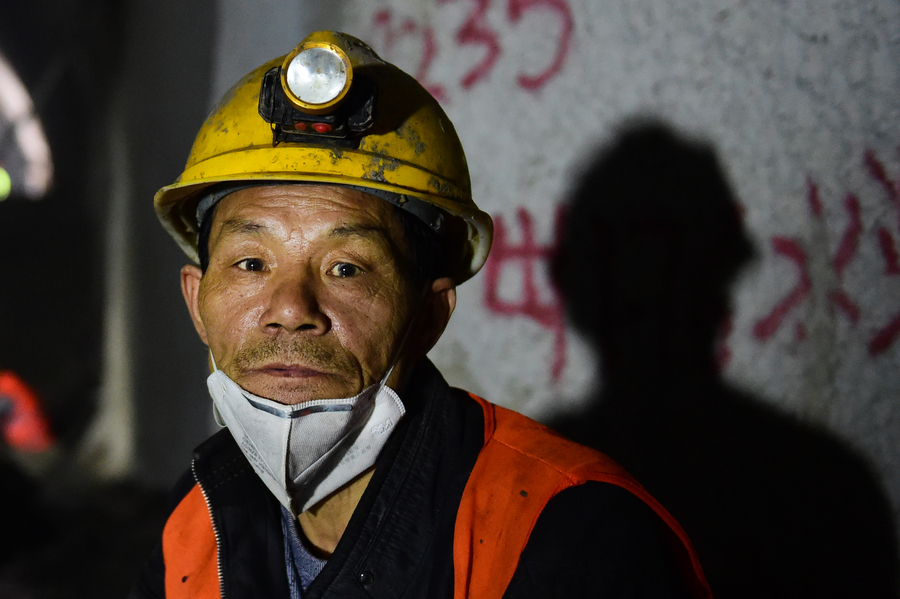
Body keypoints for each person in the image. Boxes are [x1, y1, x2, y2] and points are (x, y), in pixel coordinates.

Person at [131, 31, 711, 599]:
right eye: (252, 263)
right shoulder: (195, 517)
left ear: (429, 316)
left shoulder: (568, 536)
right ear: (196, 302)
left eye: (346, 268)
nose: (290, 310)